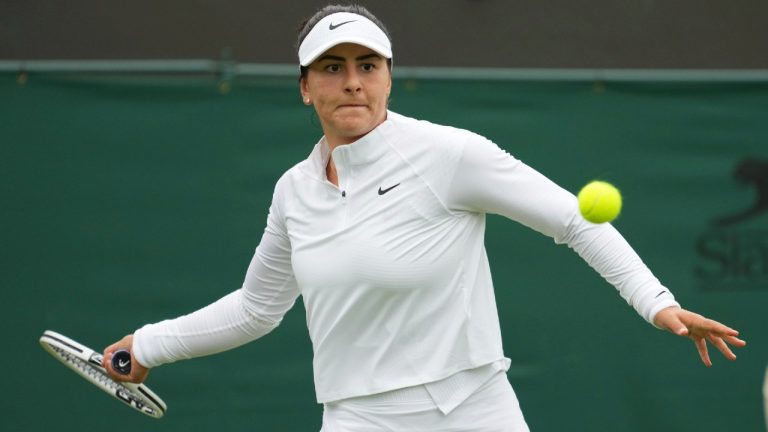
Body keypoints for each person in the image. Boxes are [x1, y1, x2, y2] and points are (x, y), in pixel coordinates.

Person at [103, 4, 747, 431]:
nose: (352, 82)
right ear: (305, 86)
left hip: (475, 410)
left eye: (367, 66)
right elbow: (256, 309)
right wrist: (148, 345)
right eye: (332, 68)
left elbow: (575, 220)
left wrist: (657, 303)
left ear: (389, 78)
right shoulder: (293, 192)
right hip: (356, 418)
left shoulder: (450, 155)